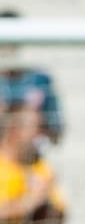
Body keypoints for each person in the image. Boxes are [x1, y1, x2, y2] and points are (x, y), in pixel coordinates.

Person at [0, 12, 62, 147]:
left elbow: (56, 130)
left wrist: (31, 123)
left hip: (30, 161)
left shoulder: (39, 80)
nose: (7, 45)